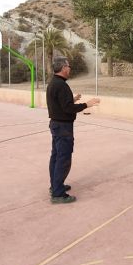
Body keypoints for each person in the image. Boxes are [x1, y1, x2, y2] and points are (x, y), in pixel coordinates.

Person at [46, 56, 100, 204]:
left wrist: (73, 99)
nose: (70, 69)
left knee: (56, 157)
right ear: (63, 68)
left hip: (56, 125)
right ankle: (58, 194)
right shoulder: (61, 85)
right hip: (63, 127)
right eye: (68, 66)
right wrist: (87, 104)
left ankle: (55, 185)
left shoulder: (54, 83)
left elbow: (60, 103)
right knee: (63, 159)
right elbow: (68, 108)